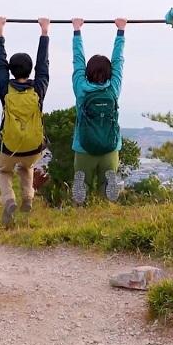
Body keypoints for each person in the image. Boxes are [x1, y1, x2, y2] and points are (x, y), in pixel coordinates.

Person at [0, 16, 50, 226]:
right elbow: (43, 64)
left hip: (9, 147)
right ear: (30, 70)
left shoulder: (4, 87)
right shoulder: (39, 88)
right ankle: (28, 197)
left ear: (10, 70)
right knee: (26, 167)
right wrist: (44, 32)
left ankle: (9, 200)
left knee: (3, 171)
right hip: (34, 148)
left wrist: (0, 31)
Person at [70, 17, 126, 204]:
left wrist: (77, 31)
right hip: (110, 147)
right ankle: (107, 208)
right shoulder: (113, 89)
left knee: (82, 181)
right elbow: (118, 61)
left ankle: (80, 202)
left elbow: (77, 60)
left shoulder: (81, 89)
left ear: (87, 72)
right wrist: (121, 31)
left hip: (84, 146)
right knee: (107, 184)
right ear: (110, 73)